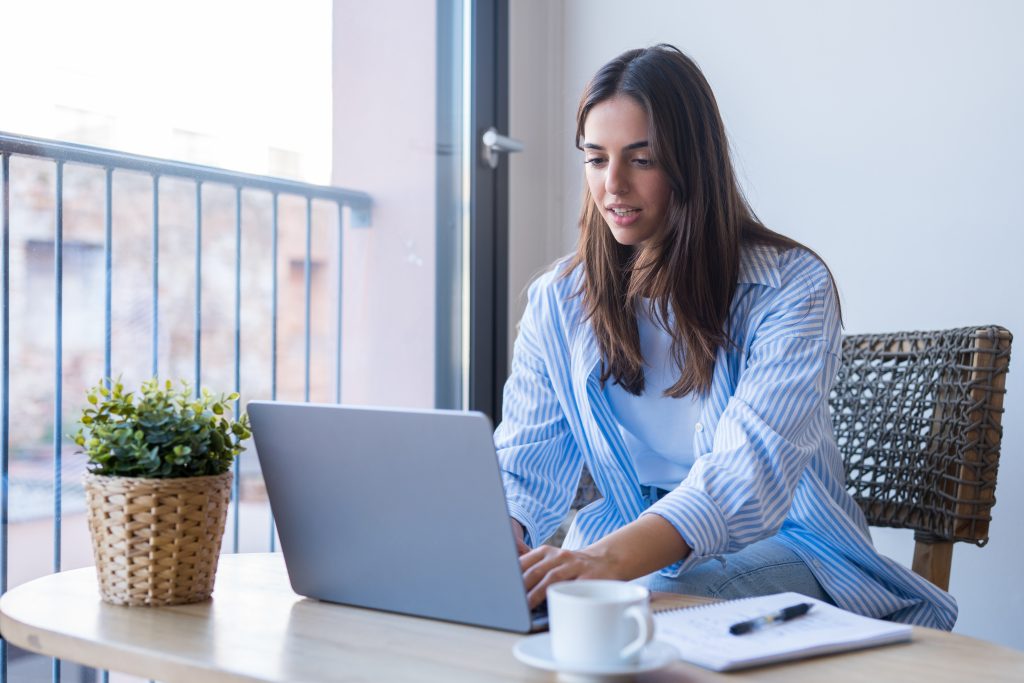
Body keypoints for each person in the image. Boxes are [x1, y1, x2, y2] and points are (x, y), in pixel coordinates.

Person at [494, 44, 956, 629]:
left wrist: (604, 562)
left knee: (638, 605)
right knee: (548, 611)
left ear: (691, 163)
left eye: (642, 159)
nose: (612, 185)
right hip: (619, 551)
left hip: (793, 546)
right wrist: (503, 548)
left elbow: (747, 477)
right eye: (595, 159)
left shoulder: (789, 288)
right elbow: (524, 466)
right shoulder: (559, 302)